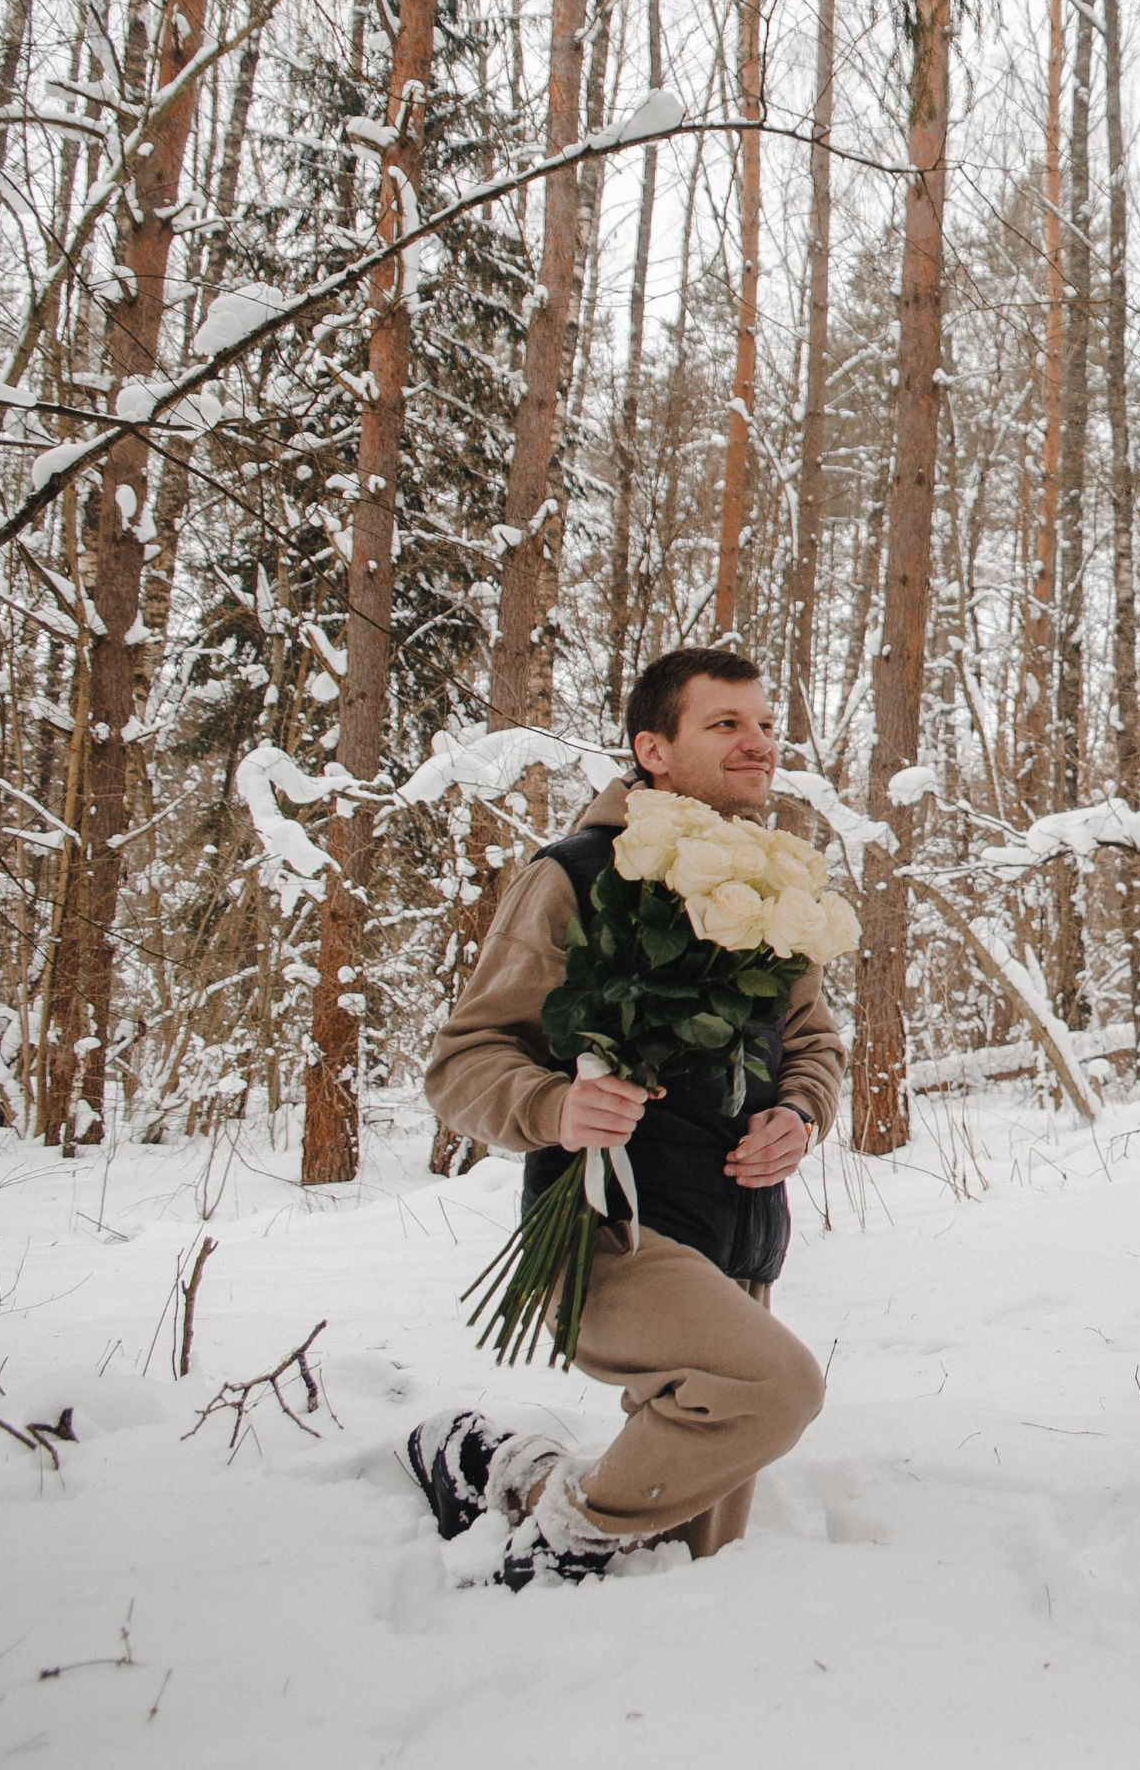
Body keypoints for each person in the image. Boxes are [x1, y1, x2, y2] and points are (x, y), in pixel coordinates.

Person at [405, 647, 840, 1588]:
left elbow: (812, 1041)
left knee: (687, 1552)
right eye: (725, 724)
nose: (759, 743)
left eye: (765, 725)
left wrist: (799, 1114)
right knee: (776, 1388)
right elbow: (461, 1064)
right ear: (653, 749)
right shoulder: (576, 874)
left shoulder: (775, 888)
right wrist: (555, 1105)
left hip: (738, 1243)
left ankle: (499, 1467)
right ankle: (549, 1556)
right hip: (612, 1234)